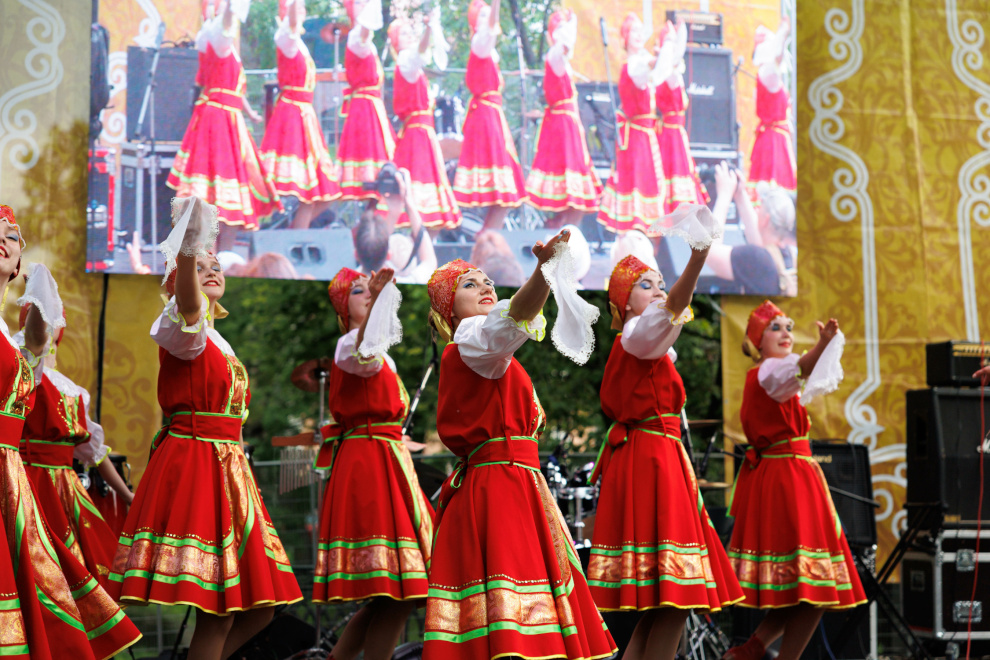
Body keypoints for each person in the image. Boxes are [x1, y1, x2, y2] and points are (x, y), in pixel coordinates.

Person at [108, 197, 302, 660]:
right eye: (199, 266)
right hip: (198, 462)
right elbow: (189, 301)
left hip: (231, 471)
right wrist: (189, 245)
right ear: (177, 281)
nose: (211, 269)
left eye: (216, 265)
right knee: (219, 609)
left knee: (260, 608)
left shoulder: (219, 341)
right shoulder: (184, 328)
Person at [422, 233, 616, 660]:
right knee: (518, 623)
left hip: (517, 485)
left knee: (522, 619)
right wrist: (544, 270)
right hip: (500, 489)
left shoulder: (492, 354)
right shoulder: (471, 338)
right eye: (469, 284)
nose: (485, 287)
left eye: (488, 281)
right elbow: (516, 316)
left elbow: (515, 320)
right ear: (448, 310)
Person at [587, 211, 742, 660]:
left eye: (660, 282)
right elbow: (672, 307)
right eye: (646, 285)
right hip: (652, 460)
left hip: (657, 457)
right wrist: (697, 259)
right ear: (625, 304)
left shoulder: (646, 345)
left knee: (665, 601)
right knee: (677, 594)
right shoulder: (636, 336)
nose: (657, 290)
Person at [0, 206, 141, 658]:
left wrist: (40, 300)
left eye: (12, 235)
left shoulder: (28, 355)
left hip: (19, 479)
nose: (3, 239)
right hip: (26, 474)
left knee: (43, 576)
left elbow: (35, 342)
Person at [723, 301, 866, 660]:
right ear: (758, 342)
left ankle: (753, 648)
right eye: (775, 327)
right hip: (788, 478)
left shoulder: (771, 375)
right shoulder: (770, 371)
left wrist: (823, 347)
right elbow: (802, 367)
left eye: (788, 326)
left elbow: (802, 370)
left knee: (806, 585)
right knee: (816, 583)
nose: (785, 332)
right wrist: (823, 344)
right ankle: (765, 651)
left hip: (790, 475)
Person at [315, 267, 435, 660]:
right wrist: (383, 298)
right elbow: (364, 351)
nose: (367, 293)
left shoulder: (382, 354)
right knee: (397, 589)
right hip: (369, 465)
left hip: (387, 460)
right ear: (342, 307)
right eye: (358, 291)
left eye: (371, 289)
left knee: (397, 591)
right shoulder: (348, 344)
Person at [15, 304, 134, 591]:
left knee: (79, 567)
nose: (48, 322)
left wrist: (128, 495)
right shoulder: (23, 372)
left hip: (66, 490)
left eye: (55, 316)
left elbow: (95, 453)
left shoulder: (75, 392)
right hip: (29, 481)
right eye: (39, 314)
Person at [167, 0, 280, 252]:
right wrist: (229, 7)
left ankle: (220, 257)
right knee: (219, 190)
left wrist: (250, 113)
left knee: (226, 193)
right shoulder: (216, 34)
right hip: (218, 122)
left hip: (226, 120)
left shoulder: (218, 40)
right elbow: (227, 21)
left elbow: (233, 91)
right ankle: (210, 256)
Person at [259, 0, 341, 229]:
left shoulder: (298, 42)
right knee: (299, 184)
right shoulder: (285, 37)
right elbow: (292, 21)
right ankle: (276, 229)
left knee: (318, 190)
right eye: (297, 6)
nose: (302, 10)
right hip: (292, 114)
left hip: (305, 115)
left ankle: (295, 232)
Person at [452, 0, 528, 230]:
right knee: (500, 190)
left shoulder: (488, 52)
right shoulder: (479, 43)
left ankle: (487, 237)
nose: (488, 19)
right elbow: (491, 26)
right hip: (485, 119)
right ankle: (486, 238)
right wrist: (495, 4)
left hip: (492, 118)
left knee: (504, 193)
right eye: (482, 15)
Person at [596, 12, 674, 238]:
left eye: (641, 32)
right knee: (638, 187)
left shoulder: (640, 62)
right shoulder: (634, 65)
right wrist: (668, 44)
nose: (639, 36)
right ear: (625, 37)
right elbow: (654, 66)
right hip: (636, 140)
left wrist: (669, 45)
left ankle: (640, 242)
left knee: (645, 187)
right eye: (633, 32)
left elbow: (661, 70)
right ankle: (630, 242)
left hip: (644, 137)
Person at [525, 9, 602, 229]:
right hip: (562, 129)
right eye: (557, 29)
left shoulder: (560, 60)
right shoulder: (554, 56)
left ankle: (561, 228)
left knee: (574, 196)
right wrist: (572, 22)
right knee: (571, 190)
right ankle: (561, 231)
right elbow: (566, 43)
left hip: (568, 127)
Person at [390, 12, 461, 230]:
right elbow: (420, 51)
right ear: (396, 43)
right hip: (417, 136)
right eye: (403, 34)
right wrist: (429, 29)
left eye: (410, 32)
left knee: (428, 198)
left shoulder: (414, 68)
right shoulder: (405, 61)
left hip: (423, 134)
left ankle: (424, 242)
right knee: (421, 186)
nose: (409, 36)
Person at [707, 162, 796, 296]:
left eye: (760, 208)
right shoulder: (788, 254)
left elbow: (708, 252)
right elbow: (760, 241)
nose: (757, 211)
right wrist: (740, 194)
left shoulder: (756, 258)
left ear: (766, 219)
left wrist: (724, 195)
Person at [337, 0, 396, 200]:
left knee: (380, 156)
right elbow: (365, 31)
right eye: (359, 3)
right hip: (365, 108)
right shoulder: (357, 37)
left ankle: (373, 210)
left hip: (371, 106)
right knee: (371, 157)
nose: (363, 6)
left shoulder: (366, 43)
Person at [654, 20, 709, 214]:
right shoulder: (667, 73)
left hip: (676, 135)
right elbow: (673, 59)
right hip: (670, 137)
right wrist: (675, 40)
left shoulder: (671, 73)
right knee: (673, 176)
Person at [353, 168, 437, 283]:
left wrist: (393, 213)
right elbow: (429, 262)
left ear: (356, 254)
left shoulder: (343, 288)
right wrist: (408, 203)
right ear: (389, 255)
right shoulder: (405, 286)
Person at [749, 17, 795, 193]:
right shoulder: (768, 72)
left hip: (773, 138)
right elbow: (777, 58)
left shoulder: (768, 75)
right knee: (775, 188)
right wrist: (783, 33)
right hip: (773, 143)